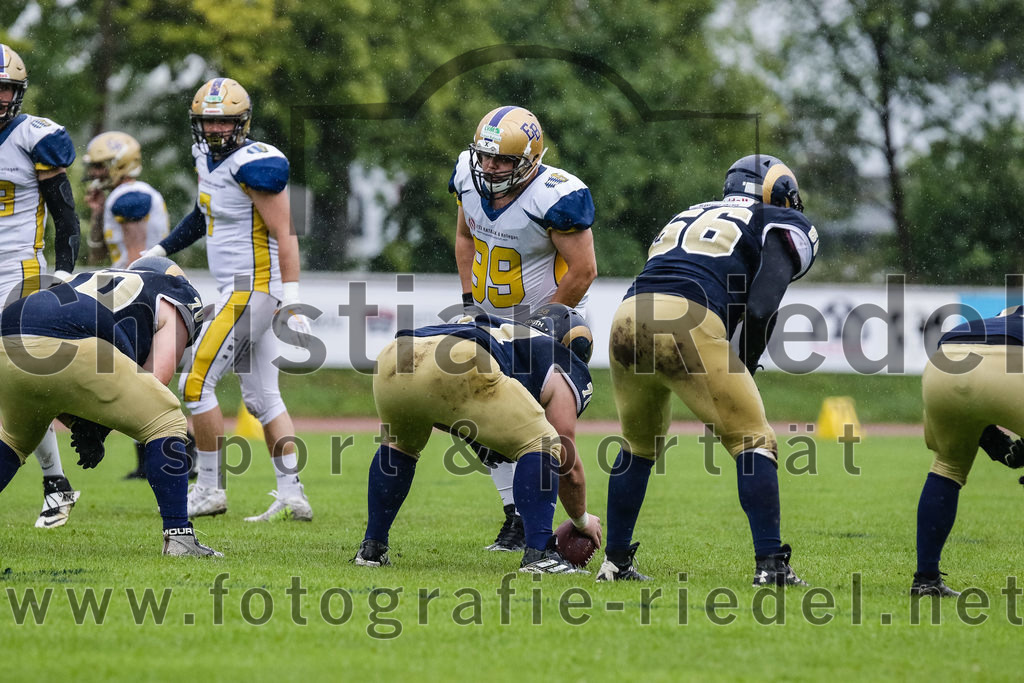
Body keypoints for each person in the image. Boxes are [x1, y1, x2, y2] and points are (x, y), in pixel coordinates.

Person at [598, 154, 819, 586]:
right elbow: (761, 307)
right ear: (778, 192)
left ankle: (616, 562)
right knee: (754, 440)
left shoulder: (691, 212)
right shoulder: (780, 220)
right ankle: (770, 565)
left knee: (638, 445)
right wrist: (747, 363)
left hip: (628, 315)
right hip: (687, 318)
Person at [142, 77, 313, 522]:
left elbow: (286, 232)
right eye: (208, 122)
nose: (215, 130)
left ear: (243, 123)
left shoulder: (255, 164)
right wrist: (161, 249)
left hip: (251, 290)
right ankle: (293, 494)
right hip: (241, 291)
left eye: (224, 122)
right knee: (264, 399)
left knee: (195, 384)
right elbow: (203, 216)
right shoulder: (205, 159)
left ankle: (210, 488)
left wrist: (293, 297)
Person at [353, 303, 602, 573]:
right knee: (542, 442)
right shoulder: (558, 357)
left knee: (400, 446)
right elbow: (563, 451)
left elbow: (446, 408)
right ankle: (539, 555)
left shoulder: (506, 333)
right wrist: (581, 519)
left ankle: (372, 549)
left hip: (397, 354)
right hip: (464, 357)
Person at [449, 105, 597, 551]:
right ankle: (516, 515)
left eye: (503, 160)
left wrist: (541, 322)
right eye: (485, 156)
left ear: (530, 160)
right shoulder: (467, 176)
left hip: (548, 324)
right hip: (490, 322)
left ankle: (541, 527)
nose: (490, 166)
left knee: (548, 434)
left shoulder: (555, 196)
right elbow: (465, 237)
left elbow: (584, 269)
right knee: (473, 420)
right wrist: (470, 302)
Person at [0, 256, 220, 556]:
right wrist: (97, 428)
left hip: (8, 335)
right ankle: (179, 537)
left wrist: (89, 427)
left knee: (14, 442)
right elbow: (155, 380)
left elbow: (61, 388)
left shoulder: (95, 278)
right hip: (71, 342)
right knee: (166, 419)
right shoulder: (175, 292)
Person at [0, 44, 83, 528]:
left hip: (20, 270)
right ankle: (56, 481)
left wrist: (66, 270)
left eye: (4, 89)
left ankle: (58, 474)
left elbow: (64, 214)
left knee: (23, 380)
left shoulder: (35, 137)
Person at [911, 305, 1024, 597]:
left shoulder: (1010, 310)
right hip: (1011, 364)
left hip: (945, 360)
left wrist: (984, 432)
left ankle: (926, 580)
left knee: (947, 466)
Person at [83, 130, 173, 479]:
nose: (96, 173)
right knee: (141, 377)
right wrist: (97, 212)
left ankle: (177, 453)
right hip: (137, 291)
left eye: (102, 166)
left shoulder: (130, 197)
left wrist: (126, 304)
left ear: (120, 164)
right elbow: (98, 254)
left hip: (139, 293)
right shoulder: (121, 197)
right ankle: (158, 458)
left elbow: (136, 258)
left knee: (140, 378)